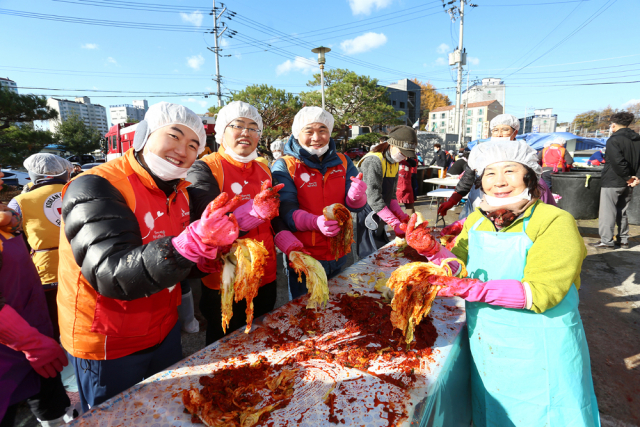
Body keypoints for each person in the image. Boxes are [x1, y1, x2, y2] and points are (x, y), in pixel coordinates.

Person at [404, 139, 599, 427]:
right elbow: (458, 268)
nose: (499, 181)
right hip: (490, 341)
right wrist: (432, 250)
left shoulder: (554, 221)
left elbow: (543, 292)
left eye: (510, 171)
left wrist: (471, 289)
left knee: (543, 415)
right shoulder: (477, 221)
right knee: (495, 414)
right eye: (490, 174)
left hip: (540, 343)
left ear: (529, 176)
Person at [57, 102, 234, 412]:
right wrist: (186, 246)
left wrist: (200, 261)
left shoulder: (179, 190)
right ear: (143, 136)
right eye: (174, 136)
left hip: (164, 329)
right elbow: (108, 272)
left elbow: (172, 263)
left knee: (166, 411)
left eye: (194, 145)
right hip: (109, 342)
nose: (183, 150)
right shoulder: (97, 185)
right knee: (118, 419)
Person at [186, 101, 289, 344]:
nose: (246, 132)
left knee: (261, 338)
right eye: (238, 125)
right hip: (225, 280)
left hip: (265, 274)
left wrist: (288, 241)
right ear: (221, 131)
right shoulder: (204, 168)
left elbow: (274, 216)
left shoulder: (264, 168)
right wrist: (253, 211)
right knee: (224, 344)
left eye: (253, 128)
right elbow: (210, 222)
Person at [271, 107, 367, 299]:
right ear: (297, 133)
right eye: (309, 131)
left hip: (339, 252)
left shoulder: (343, 161)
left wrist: (357, 197)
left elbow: (354, 206)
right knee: (305, 313)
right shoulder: (285, 165)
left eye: (322, 130)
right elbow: (287, 211)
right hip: (304, 255)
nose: (317, 137)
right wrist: (316, 222)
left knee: (337, 307)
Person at [0, 184, 73, 427]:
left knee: (50, 405)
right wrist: (28, 341)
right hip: (10, 347)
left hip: (37, 332)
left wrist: (15, 221)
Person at [438, 114, 556, 220]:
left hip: (517, 206)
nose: (499, 134)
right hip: (482, 202)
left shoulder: (522, 151)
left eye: (505, 129)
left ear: (515, 132)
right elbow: (467, 178)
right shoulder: (481, 150)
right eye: (495, 130)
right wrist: (453, 200)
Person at [7, 154, 72, 341]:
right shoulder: (80, 190)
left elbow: (13, 240)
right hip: (81, 268)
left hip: (46, 274)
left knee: (53, 324)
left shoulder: (20, 202)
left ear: (33, 175)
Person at [356, 125, 416, 259]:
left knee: (381, 251)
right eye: (403, 152)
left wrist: (400, 215)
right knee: (368, 256)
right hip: (366, 214)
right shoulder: (374, 161)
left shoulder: (394, 162)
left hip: (381, 214)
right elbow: (373, 198)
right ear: (392, 145)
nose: (404, 157)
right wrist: (394, 223)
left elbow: (391, 195)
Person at [591, 112, 640, 249]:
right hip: (630, 181)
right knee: (622, 210)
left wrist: (628, 177)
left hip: (613, 180)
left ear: (613, 125)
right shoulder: (637, 139)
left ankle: (606, 241)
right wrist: (635, 178)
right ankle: (623, 239)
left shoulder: (613, 140)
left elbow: (617, 161)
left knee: (608, 211)